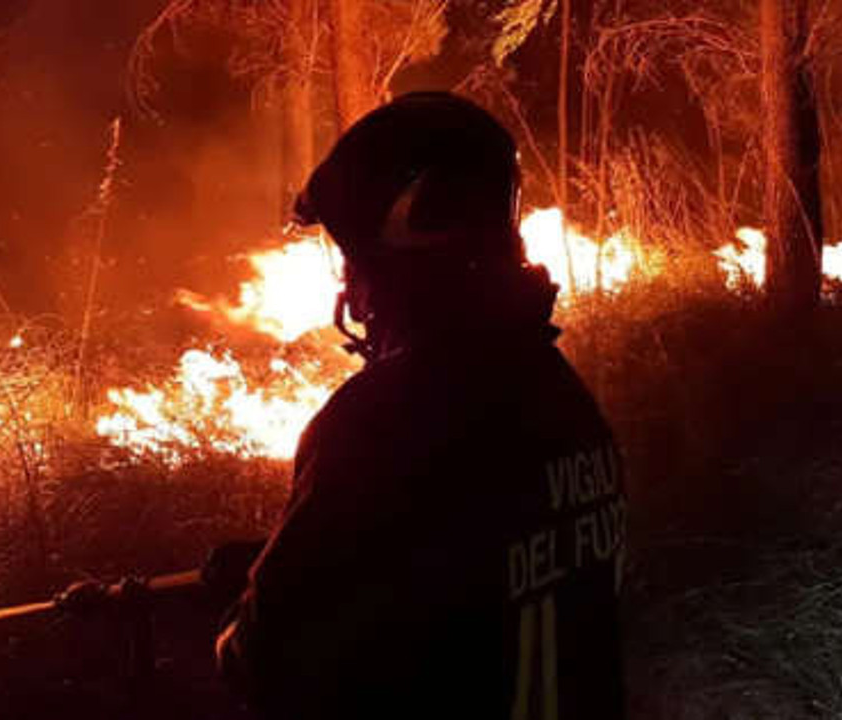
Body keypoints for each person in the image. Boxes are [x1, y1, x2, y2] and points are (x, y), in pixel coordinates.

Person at [213, 92, 628, 719]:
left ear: (395, 257)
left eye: (352, 258)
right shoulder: (560, 394)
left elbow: (265, 660)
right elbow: (464, 565)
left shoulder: (379, 420)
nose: (349, 287)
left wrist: (245, 610)